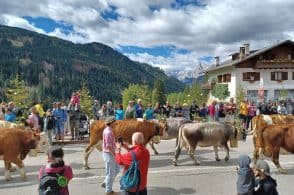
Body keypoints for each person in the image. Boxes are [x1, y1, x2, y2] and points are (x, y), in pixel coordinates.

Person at [102, 117, 120, 195]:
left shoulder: (109, 130)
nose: (116, 123)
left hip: (110, 153)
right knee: (110, 173)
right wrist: (115, 154)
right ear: (111, 123)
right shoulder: (108, 132)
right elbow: (108, 146)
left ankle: (106, 182)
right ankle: (108, 191)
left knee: (117, 169)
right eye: (114, 122)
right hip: (109, 154)